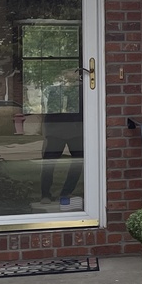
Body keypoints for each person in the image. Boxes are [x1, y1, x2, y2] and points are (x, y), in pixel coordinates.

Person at [39, 75, 83, 208]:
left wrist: (45, 130)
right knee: (77, 162)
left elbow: (46, 110)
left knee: (50, 163)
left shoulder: (52, 90)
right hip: (70, 129)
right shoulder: (80, 90)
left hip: (61, 129)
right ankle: (62, 193)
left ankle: (47, 194)